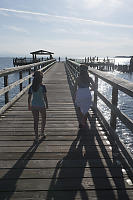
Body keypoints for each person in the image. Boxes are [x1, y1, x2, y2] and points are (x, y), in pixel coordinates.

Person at [28, 71, 48, 142]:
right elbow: (45, 97)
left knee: (35, 121)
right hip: (41, 105)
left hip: (34, 105)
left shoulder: (31, 87)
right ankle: (42, 132)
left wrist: (29, 105)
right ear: (41, 79)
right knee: (43, 119)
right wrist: (47, 104)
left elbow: (29, 98)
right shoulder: (43, 87)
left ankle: (36, 137)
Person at [74, 64, 94, 129]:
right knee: (86, 109)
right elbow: (95, 86)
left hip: (80, 93)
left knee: (79, 108)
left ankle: (81, 122)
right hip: (87, 93)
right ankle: (84, 122)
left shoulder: (78, 78)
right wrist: (90, 89)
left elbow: (74, 87)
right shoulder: (89, 78)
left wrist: (75, 95)